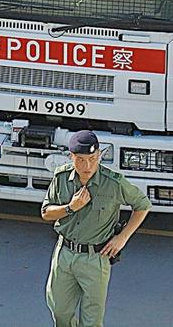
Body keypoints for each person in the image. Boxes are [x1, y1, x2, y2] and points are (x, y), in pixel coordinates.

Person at [41, 129, 151, 327]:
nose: (87, 166)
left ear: (99, 155)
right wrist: (70, 207)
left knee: (92, 318)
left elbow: (142, 205)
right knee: (59, 310)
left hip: (96, 258)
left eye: (93, 158)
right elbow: (46, 213)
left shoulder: (114, 183)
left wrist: (122, 238)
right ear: (71, 157)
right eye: (81, 160)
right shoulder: (61, 178)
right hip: (64, 253)